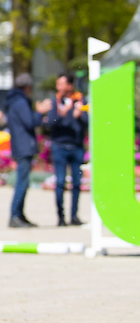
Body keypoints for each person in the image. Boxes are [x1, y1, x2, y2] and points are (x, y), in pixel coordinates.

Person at [4, 74, 53, 228]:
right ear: (28, 87)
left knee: (23, 182)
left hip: (20, 145)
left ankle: (19, 214)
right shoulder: (20, 102)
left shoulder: (14, 101)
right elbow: (30, 122)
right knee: (22, 183)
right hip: (24, 146)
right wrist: (40, 111)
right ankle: (15, 215)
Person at [43, 74, 88, 226]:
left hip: (77, 146)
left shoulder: (82, 100)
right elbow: (49, 124)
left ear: (70, 85)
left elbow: (89, 122)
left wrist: (79, 116)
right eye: (57, 84)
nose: (58, 87)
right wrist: (61, 115)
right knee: (60, 182)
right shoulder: (54, 102)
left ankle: (74, 216)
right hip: (59, 146)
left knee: (76, 183)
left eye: (61, 84)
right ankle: (61, 218)